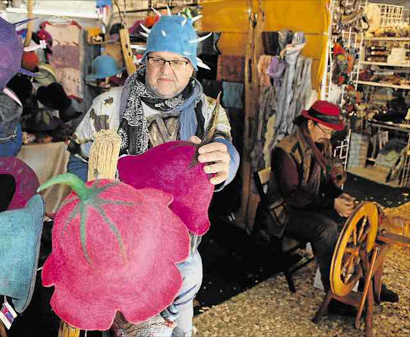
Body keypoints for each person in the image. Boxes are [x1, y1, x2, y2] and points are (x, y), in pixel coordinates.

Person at [67, 14, 240, 337]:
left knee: (182, 312)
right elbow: (76, 165)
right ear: (144, 60)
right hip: (121, 254)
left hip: (182, 249)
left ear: (192, 66)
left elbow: (225, 150)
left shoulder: (207, 112)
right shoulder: (108, 106)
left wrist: (227, 158)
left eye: (178, 62)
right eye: (158, 59)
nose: (166, 70)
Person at [265, 100, 398, 311]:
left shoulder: (319, 145)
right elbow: (293, 197)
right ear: (310, 124)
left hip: (310, 204)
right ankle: (334, 297)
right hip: (286, 212)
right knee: (326, 229)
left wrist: (339, 195)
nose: (328, 136)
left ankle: (370, 283)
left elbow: (326, 180)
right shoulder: (286, 150)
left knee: (359, 221)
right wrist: (331, 203)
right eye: (326, 131)